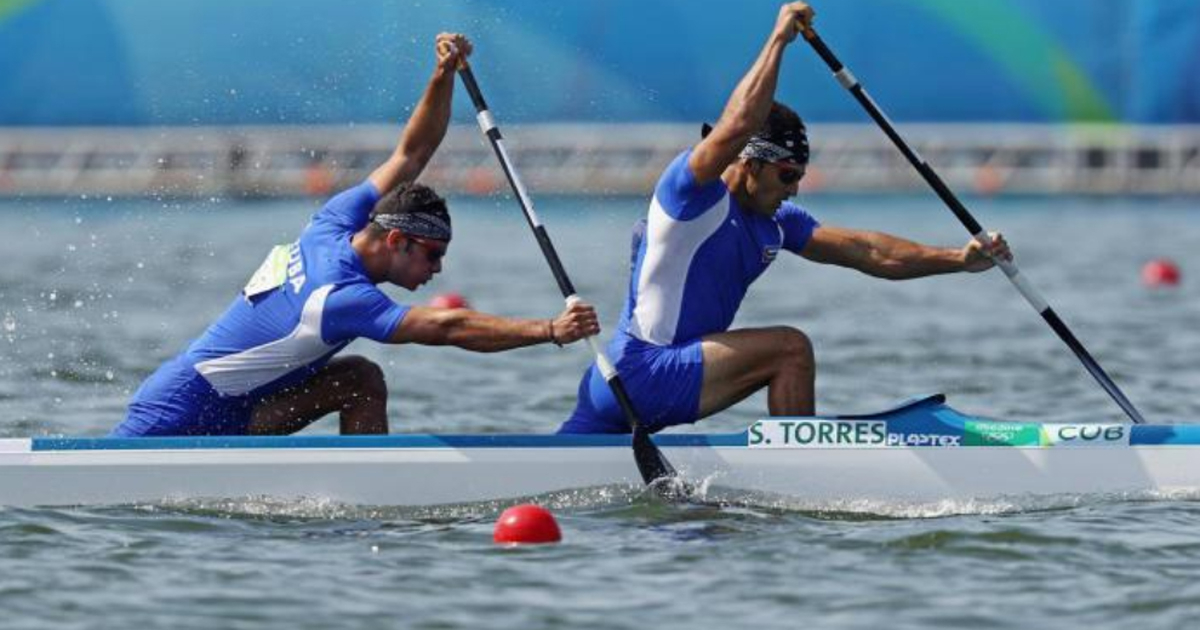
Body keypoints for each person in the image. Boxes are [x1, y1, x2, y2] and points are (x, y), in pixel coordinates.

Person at [113, 33, 600, 437]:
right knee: (361, 376)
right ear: (395, 241)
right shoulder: (341, 296)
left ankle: (365, 510)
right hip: (178, 416)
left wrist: (442, 76)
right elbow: (446, 328)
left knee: (360, 379)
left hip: (232, 409)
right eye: (431, 255)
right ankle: (372, 501)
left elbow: (411, 154)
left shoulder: (337, 219)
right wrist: (550, 330)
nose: (438, 270)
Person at [559, 3, 1011, 434]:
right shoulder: (690, 192)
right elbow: (735, 127)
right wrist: (778, 40)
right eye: (788, 174)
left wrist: (959, 259)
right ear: (750, 163)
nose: (794, 188)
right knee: (790, 350)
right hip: (645, 368)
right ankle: (801, 464)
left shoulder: (777, 221)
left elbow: (868, 252)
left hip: (615, 380)